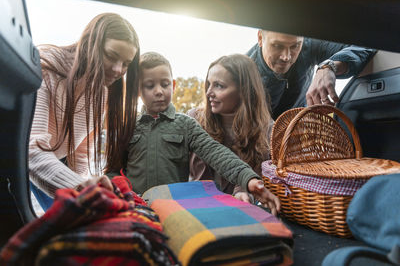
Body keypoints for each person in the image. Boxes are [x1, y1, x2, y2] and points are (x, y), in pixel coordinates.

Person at [106, 52, 281, 215]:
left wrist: (248, 179)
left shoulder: (186, 124)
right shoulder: (127, 126)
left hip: (174, 210)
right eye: (149, 85)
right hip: (133, 207)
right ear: (137, 90)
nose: (159, 91)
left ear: (173, 85)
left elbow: (216, 153)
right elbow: (113, 170)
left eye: (165, 84)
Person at [29, 13, 140, 211]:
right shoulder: (46, 67)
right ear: (91, 43)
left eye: (126, 63)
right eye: (111, 56)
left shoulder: (103, 93)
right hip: (21, 157)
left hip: (54, 158)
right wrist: (81, 189)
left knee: (80, 216)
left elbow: (80, 154)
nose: (118, 69)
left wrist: (85, 192)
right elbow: (31, 149)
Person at [188, 54, 273, 203]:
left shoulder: (267, 131)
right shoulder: (194, 120)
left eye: (219, 85)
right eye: (209, 84)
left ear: (243, 90)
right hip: (195, 204)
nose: (209, 93)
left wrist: (244, 193)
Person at [247, 30, 376, 119]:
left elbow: (364, 45)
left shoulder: (310, 43)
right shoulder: (242, 72)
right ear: (260, 38)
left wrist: (328, 67)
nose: (286, 57)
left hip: (300, 127)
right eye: (277, 45)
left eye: (295, 46)